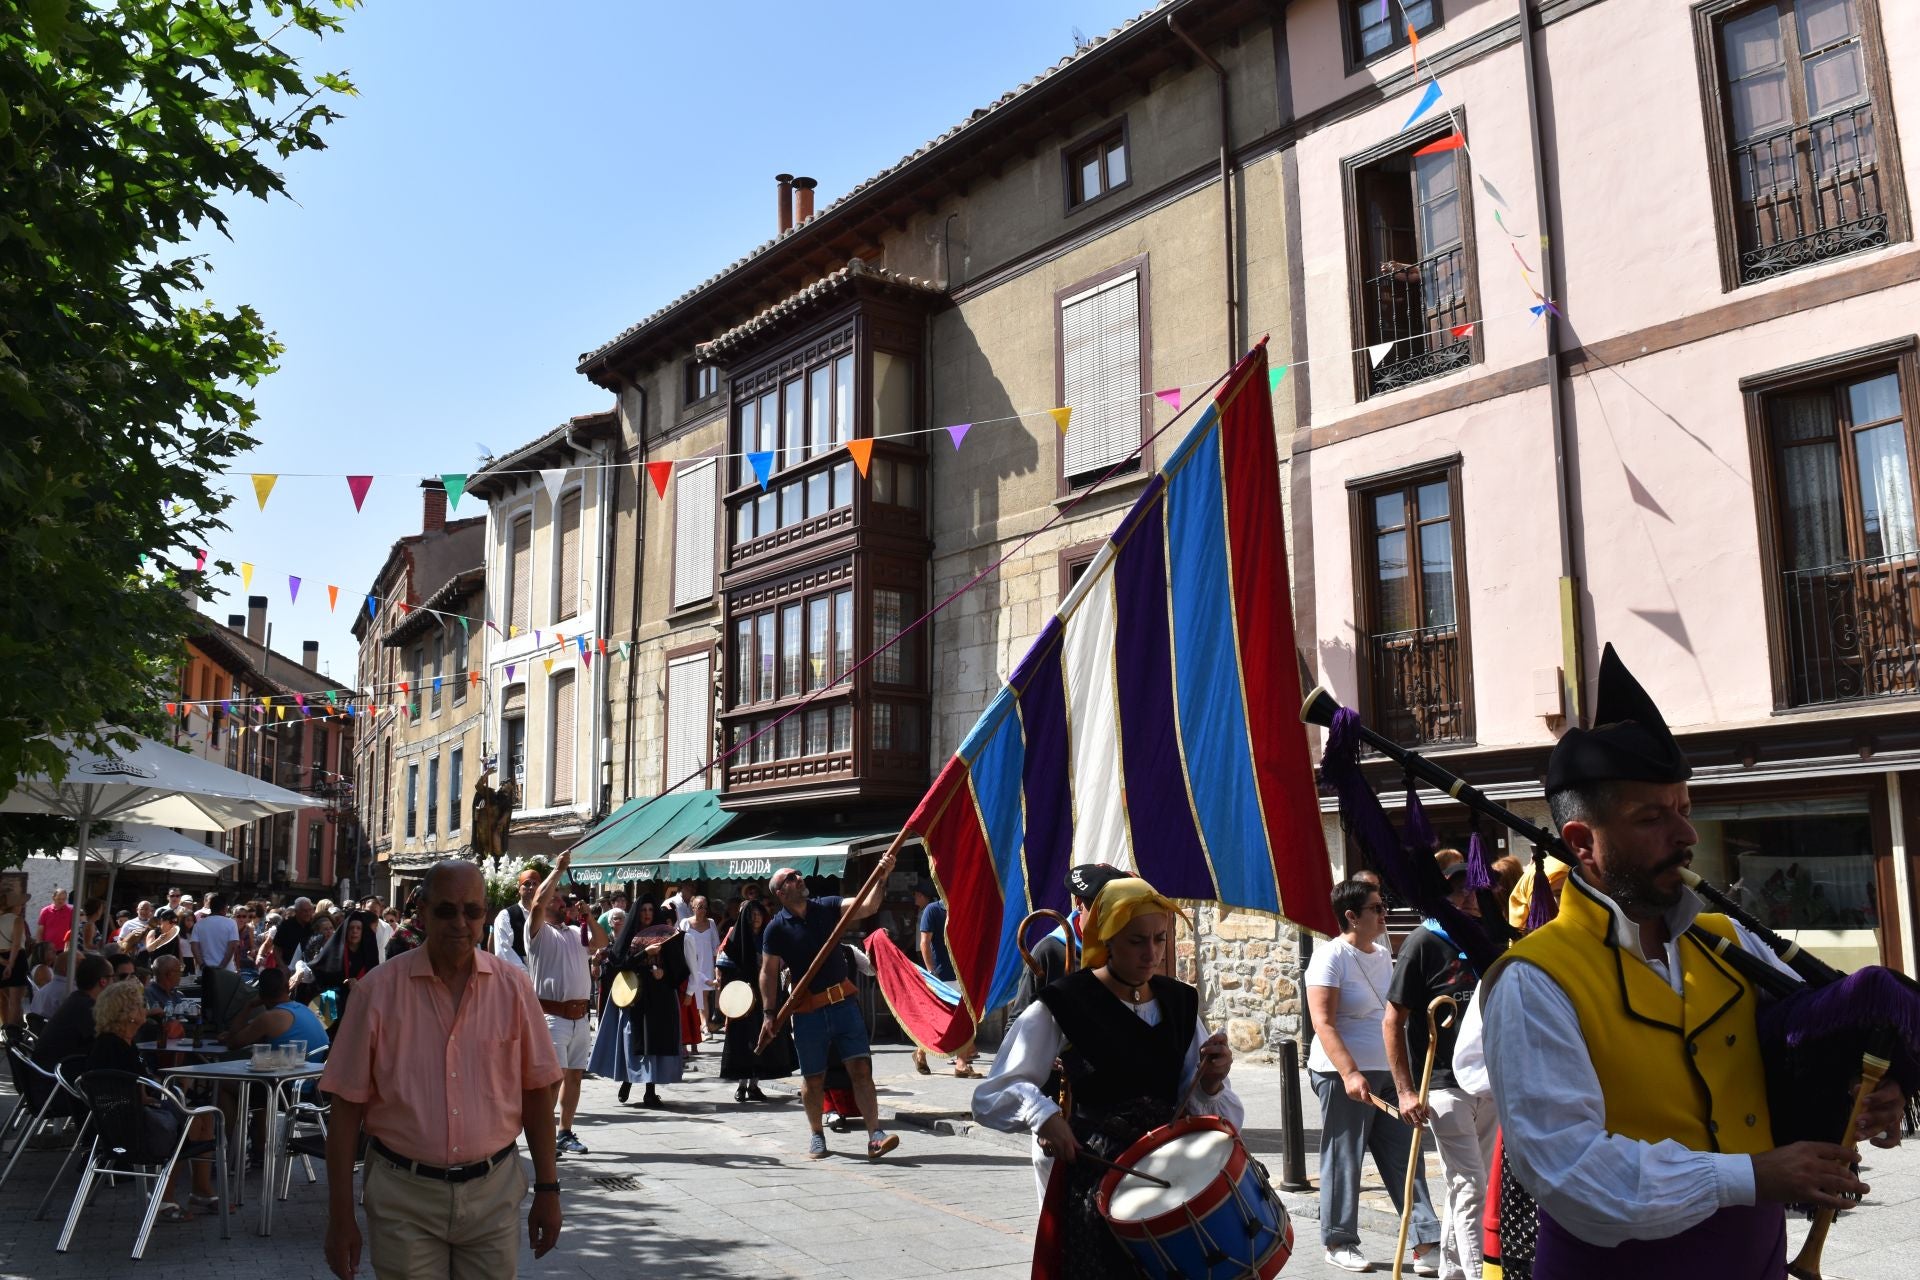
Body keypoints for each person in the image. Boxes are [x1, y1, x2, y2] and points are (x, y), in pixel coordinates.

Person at [1482, 646, 1907, 1277]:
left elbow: (1801, 1054)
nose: (1686, 837)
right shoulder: (1534, 979)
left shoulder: (1731, 940)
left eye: (1684, 809)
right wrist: (1752, 1173)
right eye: (1652, 818)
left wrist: (1864, 1095)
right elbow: (1570, 1171)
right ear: (1582, 843)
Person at [973, 874, 1241, 1275]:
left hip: (1169, 1177)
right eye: (1137, 940)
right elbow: (993, 1094)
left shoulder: (1178, 1001)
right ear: (1107, 939)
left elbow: (1204, 1101)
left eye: (1159, 939)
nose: (1151, 953)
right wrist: (1042, 1116)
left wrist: (1212, 1081)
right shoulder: (1066, 1002)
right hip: (1096, 1178)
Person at [321, 858, 563, 1280]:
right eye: (447, 910)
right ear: (423, 913)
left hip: (493, 1193)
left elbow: (536, 1092)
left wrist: (548, 1188)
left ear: (485, 915)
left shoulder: (514, 988)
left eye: (472, 911)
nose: (461, 922)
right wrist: (340, 1216)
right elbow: (345, 1110)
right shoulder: (378, 992)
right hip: (403, 1196)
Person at [1307, 876, 1442, 1274]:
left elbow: (1393, 1017)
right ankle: (1339, 1240)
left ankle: (1423, 1240)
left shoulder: (1383, 954)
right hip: (1341, 1074)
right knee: (1344, 1155)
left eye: (1384, 906)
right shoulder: (1329, 956)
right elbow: (1323, 1022)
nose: (1385, 914)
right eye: (1377, 909)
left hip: (1387, 1071)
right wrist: (1349, 1072)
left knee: (1406, 1155)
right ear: (1351, 916)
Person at [1386, 849, 1491, 1280]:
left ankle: (1451, 1270)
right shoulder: (1422, 943)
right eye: (1456, 888)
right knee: (1472, 1186)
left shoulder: (1486, 937)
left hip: (1487, 1080)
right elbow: (1392, 1020)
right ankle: (1480, 1272)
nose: (1467, 896)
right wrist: (1407, 1091)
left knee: (1465, 1186)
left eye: (1472, 887)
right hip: (1443, 1083)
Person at [758, 853, 900, 1161]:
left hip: (844, 1005)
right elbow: (768, 972)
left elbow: (867, 905)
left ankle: (875, 1136)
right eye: (791, 877)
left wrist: (882, 877)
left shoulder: (826, 906)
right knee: (814, 1078)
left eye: (799, 873)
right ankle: (816, 1134)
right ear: (781, 892)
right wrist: (770, 1013)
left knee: (860, 1069)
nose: (799, 878)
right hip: (808, 1012)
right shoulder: (776, 928)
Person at [87, 977, 220, 1218]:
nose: (145, 1009)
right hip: (129, 1128)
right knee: (189, 1121)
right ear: (127, 1013)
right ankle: (165, 1199)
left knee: (204, 1116)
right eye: (139, 1005)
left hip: (120, 1123)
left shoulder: (120, 1043)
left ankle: (200, 1190)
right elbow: (133, 1091)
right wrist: (160, 1095)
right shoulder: (115, 1047)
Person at [525, 852, 606, 1155]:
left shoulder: (576, 932)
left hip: (579, 1017)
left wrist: (590, 917)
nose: (563, 903)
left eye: (563, 900)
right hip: (552, 1016)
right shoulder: (537, 932)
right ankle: (542, 1134)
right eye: (557, 900)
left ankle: (565, 1131)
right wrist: (558, 871)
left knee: (573, 1076)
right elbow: (536, 904)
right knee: (552, 1079)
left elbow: (602, 943)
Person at [590, 893, 689, 1109]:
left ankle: (650, 1091)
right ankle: (627, 1080)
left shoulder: (666, 934)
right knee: (633, 1040)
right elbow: (618, 963)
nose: (647, 914)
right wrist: (644, 954)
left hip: (660, 995)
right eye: (643, 910)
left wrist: (665, 973)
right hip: (635, 995)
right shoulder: (630, 934)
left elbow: (678, 967)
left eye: (650, 910)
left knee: (654, 1043)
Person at [717, 897, 792, 1102]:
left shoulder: (770, 937)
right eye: (752, 914)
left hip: (766, 999)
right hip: (743, 1000)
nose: (756, 918)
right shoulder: (735, 940)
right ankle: (741, 1085)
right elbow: (723, 969)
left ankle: (754, 1085)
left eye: (759, 913)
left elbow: (783, 964)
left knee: (765, 1041)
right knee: (743, 1042)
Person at [911, 881, 979, 1078]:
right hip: (942, 974)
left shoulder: (965, 909)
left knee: (961, 1019)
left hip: (963, 974)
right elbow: (925, 942)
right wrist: (931, 971)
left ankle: (960, 1062)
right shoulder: (933, 910)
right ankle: (923, 1052)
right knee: (942, 1019)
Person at [36, 954, 115, 1069]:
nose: (114, 982)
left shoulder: (77, 999)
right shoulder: (87, 1008)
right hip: (57, 1078)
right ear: (103, 981)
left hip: (49, 1071)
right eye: (113, 977)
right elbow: (108, 1041)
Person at [679, 896, 720, 1034]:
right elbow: (679, 942)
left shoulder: (711, 923)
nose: (703, 910)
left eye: (705, 906)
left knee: (703, 995)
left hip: (707, 963)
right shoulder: (685, 923)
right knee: (694, 994)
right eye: (700, 906)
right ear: (693, 907)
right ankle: (700, 1024)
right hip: (691, 963)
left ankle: (703, 1024)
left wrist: (717, 967)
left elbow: (716, 947)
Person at [492, 869, 541, 974]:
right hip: (519, 981)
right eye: (526, 884)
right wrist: (527, 978)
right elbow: (504, 953)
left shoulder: (546, 916)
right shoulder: (506, 916)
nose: (531, 887)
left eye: (535, 884)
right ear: (519, 889)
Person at [0, 883, 30, 1037]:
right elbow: (17, 944)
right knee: (15, 1001)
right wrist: (10, 965)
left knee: (4, 999)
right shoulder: (17, 921)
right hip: (16, 959)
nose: (22, 907)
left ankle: (6, 1030)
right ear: (15, 905)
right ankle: (12, 1036)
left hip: (1, 959)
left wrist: (2, 961)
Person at [193, 894, 241, 971]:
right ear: (224, 908)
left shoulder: (198, 925)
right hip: (226, 971)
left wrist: (202, 966)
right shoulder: (231, 923)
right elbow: (232, 947)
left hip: (204, 972)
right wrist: (221, 967)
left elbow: (194, 947)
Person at [273, 897, 318, 968]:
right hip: (288, 967)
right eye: (305, 911)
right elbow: (277, 948)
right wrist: (283, 967)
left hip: (309, 968)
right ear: (297, 911)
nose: (308, 913)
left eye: (310, 910)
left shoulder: (315, 925)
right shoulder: (286, 925)